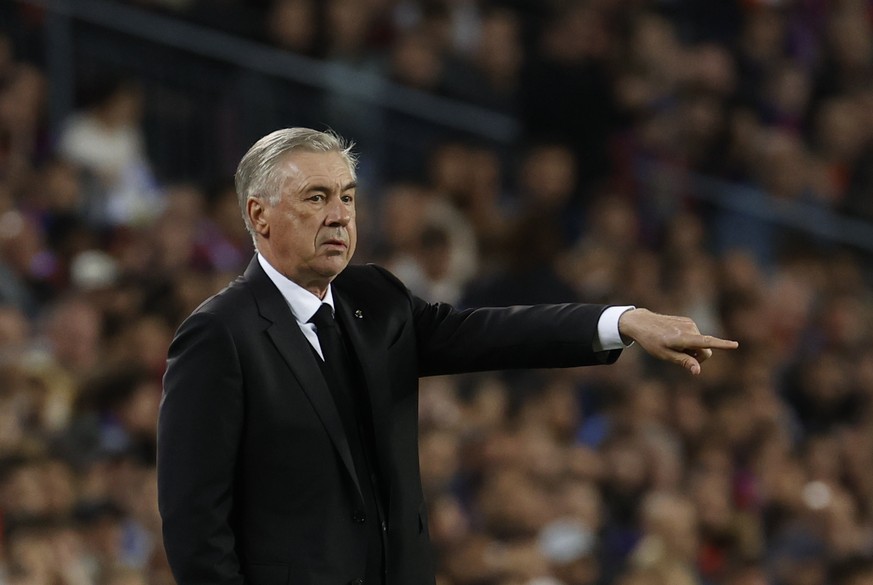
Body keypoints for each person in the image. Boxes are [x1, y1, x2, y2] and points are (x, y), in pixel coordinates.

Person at [156, 128, 738, 585]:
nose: (339, 215)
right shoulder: (218, 336)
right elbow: (194, 524)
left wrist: (621, 320)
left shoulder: (375, 298)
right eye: (317, 198)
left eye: (348, 197)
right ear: (259, 215)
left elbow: (490, 332)